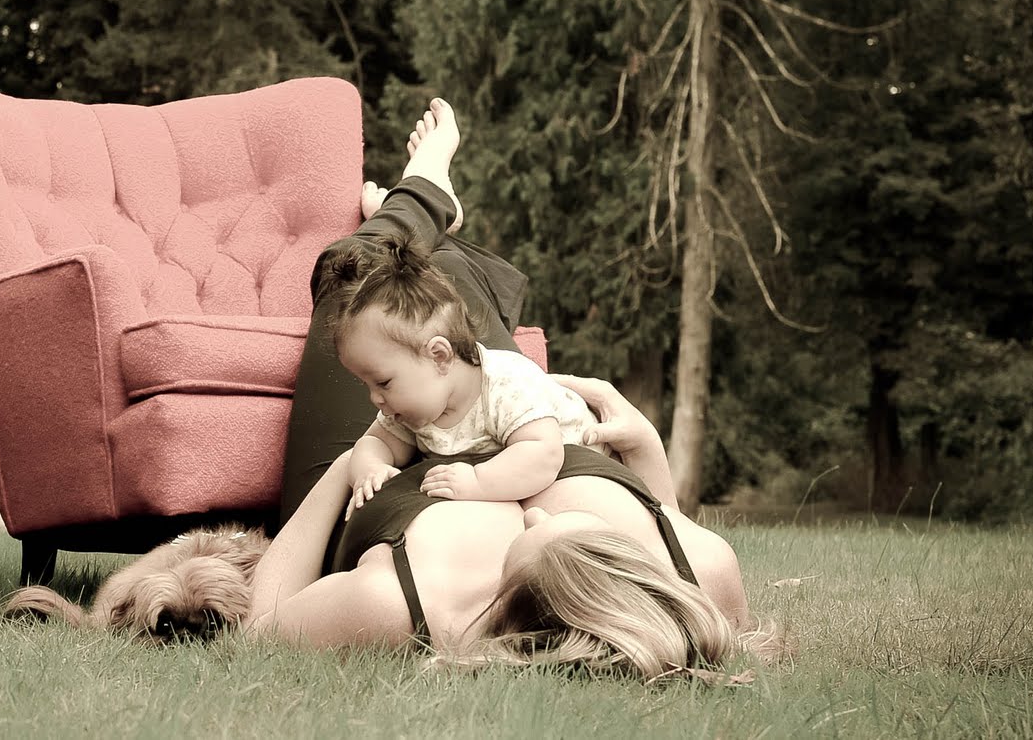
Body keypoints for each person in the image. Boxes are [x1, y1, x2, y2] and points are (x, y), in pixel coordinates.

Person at [244, 98, 773, 679]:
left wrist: (354, 463)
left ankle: (419, 201)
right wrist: (644, 442)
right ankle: (421, 216)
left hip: (403, 455)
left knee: (355, 268)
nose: (530, 515)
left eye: (539, 534)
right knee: (438, 303)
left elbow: (263, 627)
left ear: (522, 610)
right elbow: (663, 514)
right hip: (503, 411)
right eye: (604, 545)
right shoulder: (704, 575)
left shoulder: (397, 607)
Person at [320, 233, 606, 518]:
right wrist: (370, 469)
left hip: (585, 463)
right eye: (367, 385)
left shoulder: (505, 385)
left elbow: (544, 455)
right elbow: (375, 443)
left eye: (383, 383)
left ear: (439, 356)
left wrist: (477, 481)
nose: (375, 398)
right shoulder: (411, 410)